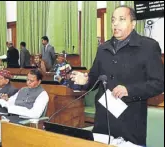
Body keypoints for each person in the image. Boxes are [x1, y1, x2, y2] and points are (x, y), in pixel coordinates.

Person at [70, 6, 164, 146]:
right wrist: (84, 81)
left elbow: (159, 83)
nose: (115, 23)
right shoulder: (103, 48)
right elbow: (94, 78)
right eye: (113, 20)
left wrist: (129, 90)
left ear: (133, 23)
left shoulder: (148, 47)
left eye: (121, 19)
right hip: (103, 121)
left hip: (130, 124)